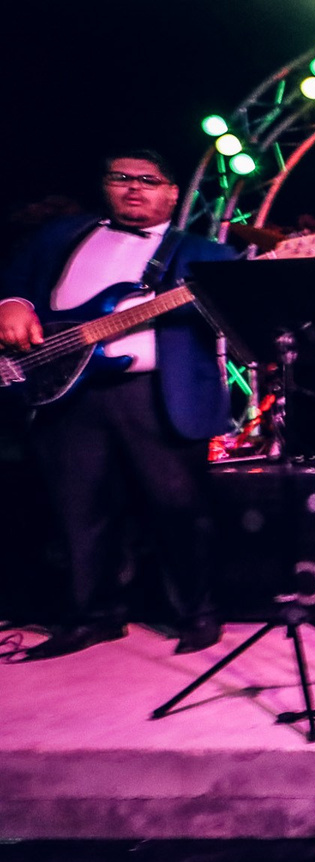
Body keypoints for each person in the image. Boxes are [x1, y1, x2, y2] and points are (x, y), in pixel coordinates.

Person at [0, 151, 236, 659]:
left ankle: (197, 613)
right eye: (122, 177)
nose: (134, 187)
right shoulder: (62, 234)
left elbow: (236, 312)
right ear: (105, 184)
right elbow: (16, 277)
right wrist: (12, 304)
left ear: (172, 193)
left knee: (178, 507)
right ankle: (94, 615)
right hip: (65, 388)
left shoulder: (204, 253)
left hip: (154, 390)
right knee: (78, 508)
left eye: (149, 180)